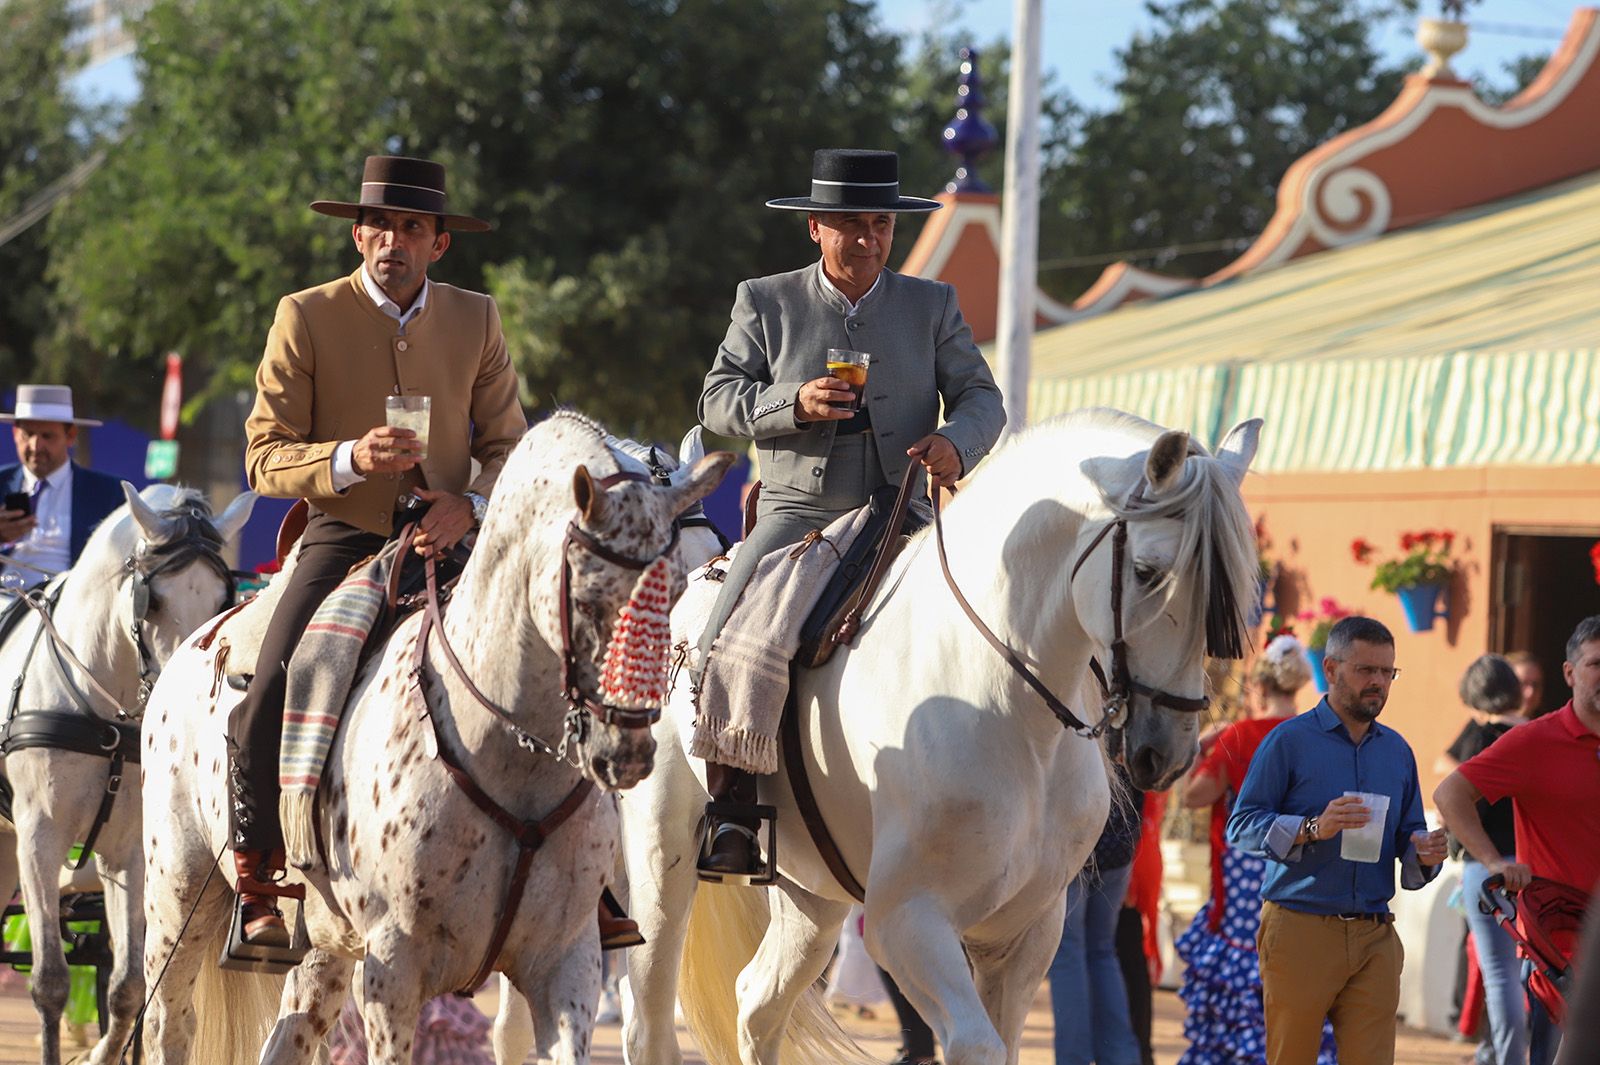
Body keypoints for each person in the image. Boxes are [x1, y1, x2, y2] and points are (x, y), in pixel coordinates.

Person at [230, 155, 526, 947]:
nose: (394, 239)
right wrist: (353, 457)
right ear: (358, 234)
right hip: (343, 531)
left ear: (438, 245)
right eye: (381, 225)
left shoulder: (478, 317)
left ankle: (582, 876)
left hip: (458, 535)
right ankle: (259, 873)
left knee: (551, 659)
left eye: (413, 227)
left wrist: (473, 504)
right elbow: (263, 457)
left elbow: (510, 447)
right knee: (276, 674)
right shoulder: (306, 314)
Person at [692, 148, 1005, 876]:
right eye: (849, 225)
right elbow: (714, 400)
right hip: (797, 514)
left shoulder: (933, 304)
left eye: (879, 225)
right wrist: (790, 404)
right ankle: (733, 812)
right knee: (726, 629)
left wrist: (957, 444)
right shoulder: (764, 300)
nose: (867, 239)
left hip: (905, 514)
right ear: (814, 227)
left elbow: (983, 399)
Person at [1227, 616, 1448, 1065]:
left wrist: (1422, 852)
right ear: (1330, 669)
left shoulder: (1398, 751)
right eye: (1367, 670)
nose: (1379, 683)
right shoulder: (1287, 741)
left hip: (1375, 935)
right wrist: (1312, 828)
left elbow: (1408, 834)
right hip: (1301, 930)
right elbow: (1242, 825)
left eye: (1388, 672)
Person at [1435, 617, 1600, 1065]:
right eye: (1596, 664)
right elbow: (1450, 793)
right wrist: (1490, 860)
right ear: (1569, 673)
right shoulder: (1535, 739)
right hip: (1559, 945)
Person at [1175, 634, 1335, 1065]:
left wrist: (1201, 745)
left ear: (1260, 686)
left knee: (1246, 964)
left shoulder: (1240, 736)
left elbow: (1193, 796)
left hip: (1243, 883)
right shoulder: (1316, 735)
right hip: (1304, 877)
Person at [1435, 654, 1528, 1065]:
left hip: (1487, 867)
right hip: (1532, 866)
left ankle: (1505, 1057)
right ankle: (1498, 1053)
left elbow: (1456, 803)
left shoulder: (1481, 737)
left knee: (1498, 973)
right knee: (1528, 971)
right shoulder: (1536, 735)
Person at [1048, 764, 1145, 1065]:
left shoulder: (1079, 716)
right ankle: (1120, 1057)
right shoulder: (1129, 718)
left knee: (1068, 954)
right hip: (1119, 845)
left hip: (1074, 843)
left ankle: (1073, 1058)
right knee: (1102, 951)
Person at [0, 385, 125, 588]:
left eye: (47, 436)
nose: (35, 446)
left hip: (72, 606)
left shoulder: (107, 493)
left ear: (70, 436)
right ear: (15, 433)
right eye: (27, 434)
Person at [1505, 650, 1548, 719]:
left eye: (1536, 685)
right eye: (1522, 684)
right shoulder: (1488, 728)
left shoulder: (1547, 727)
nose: (1530, 693)